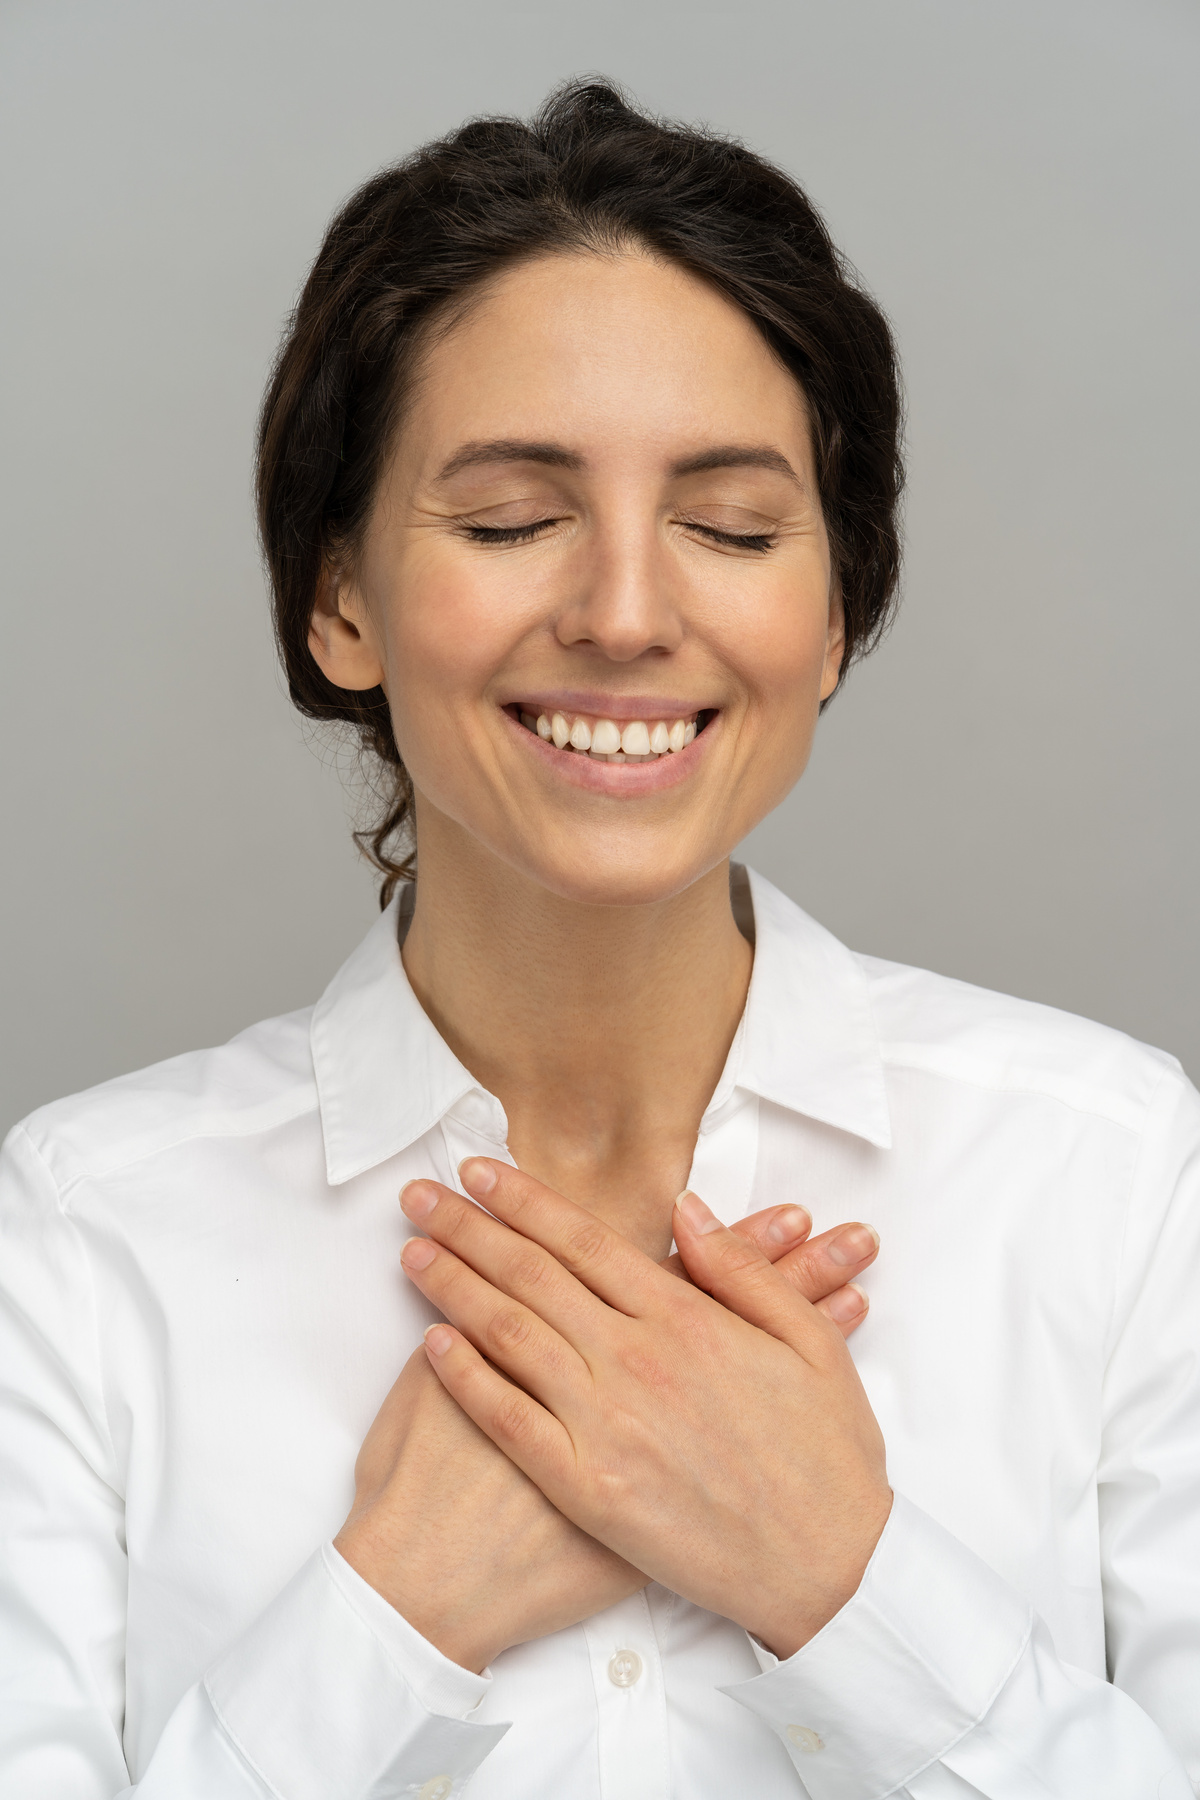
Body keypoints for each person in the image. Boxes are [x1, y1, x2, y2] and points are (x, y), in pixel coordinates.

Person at [0, 79, 1195, 1800]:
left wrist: (844, 1586)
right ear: (339, 595)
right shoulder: (85, 1243)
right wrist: (389, 1614)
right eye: (507, 520)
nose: (627, 613)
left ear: (837, 608)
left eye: (728, 526)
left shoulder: (1116, 1176)